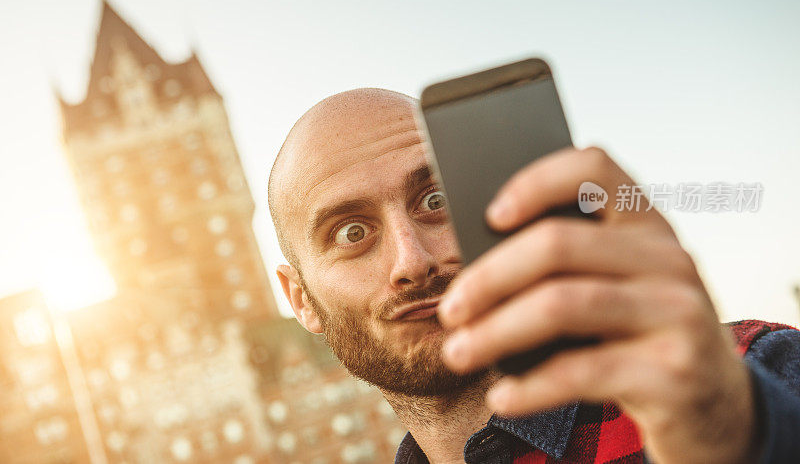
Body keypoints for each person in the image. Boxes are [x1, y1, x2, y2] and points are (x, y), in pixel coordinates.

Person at [268, 88, 800, 463]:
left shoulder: (747, 374)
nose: (412, 261)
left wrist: (725, 432)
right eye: (351, 233)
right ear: (302, 300)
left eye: (435, 200)